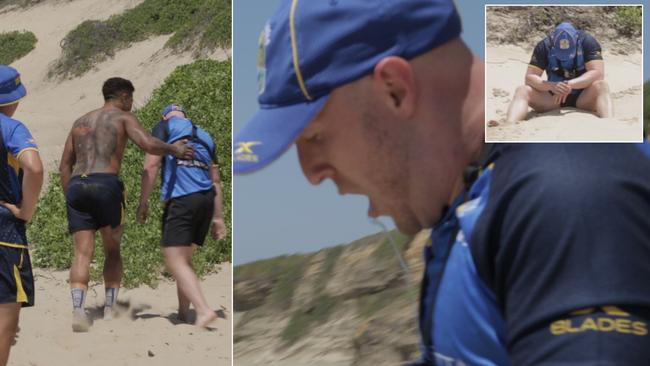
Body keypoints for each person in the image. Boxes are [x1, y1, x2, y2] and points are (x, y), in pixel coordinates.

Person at [233, 1, 650, 365]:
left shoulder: (566, 192)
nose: (311, 173)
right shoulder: (479, 195)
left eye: (314, 137)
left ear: (394, 90)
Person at [59, 78, 194, 332]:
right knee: (112, 249)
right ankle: (110, 310)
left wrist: (70, 194)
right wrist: (173, 150)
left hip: (78, 185)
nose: (131, 104)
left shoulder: (80, 122)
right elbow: (147, 143)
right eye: (130, 99)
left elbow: (64, 164)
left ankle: (78, 310)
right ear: (123, 97)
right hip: (106, 184)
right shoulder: (122, 117)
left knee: (82, 253)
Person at [136, 104, 225, 328]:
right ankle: (184, 314)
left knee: (174, 259)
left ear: (164, 115)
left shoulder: (165, 126)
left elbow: (152, 164)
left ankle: (203, 310)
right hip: (206, 201)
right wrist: (218, 218)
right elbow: (216, 180)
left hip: (183, 200)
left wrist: (143, 202)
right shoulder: (205, 135)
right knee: (184, 260)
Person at [0, 65, 43, 366]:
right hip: (4, 230)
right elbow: (34, 167)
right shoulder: (11, 127)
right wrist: (26, 210)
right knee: (5, 316)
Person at [491, 21, 612, 126]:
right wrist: (552, 86)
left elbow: (597, 73)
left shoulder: (588, 42)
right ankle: (509, 123)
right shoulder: (544, 46)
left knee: (602, 85)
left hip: (582, 97)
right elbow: (530, 77)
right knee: (522, 90)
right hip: (553, 99)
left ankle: (609, 123)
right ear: (553, 41)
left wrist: (569, 84)